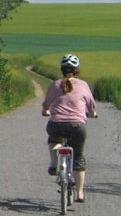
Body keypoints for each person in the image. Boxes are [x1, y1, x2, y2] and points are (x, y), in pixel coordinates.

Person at [41, 53, 98, 202]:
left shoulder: (55, 84)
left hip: (56, 124)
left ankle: (54, 165)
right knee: (78, 158)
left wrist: (45, 111)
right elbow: (92, 106)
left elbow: (46, 105)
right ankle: (79, 194)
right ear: (77, 70)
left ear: (61, 69)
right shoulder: (83, 85)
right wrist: (92, 114)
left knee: (53, 140)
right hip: (77, 126)